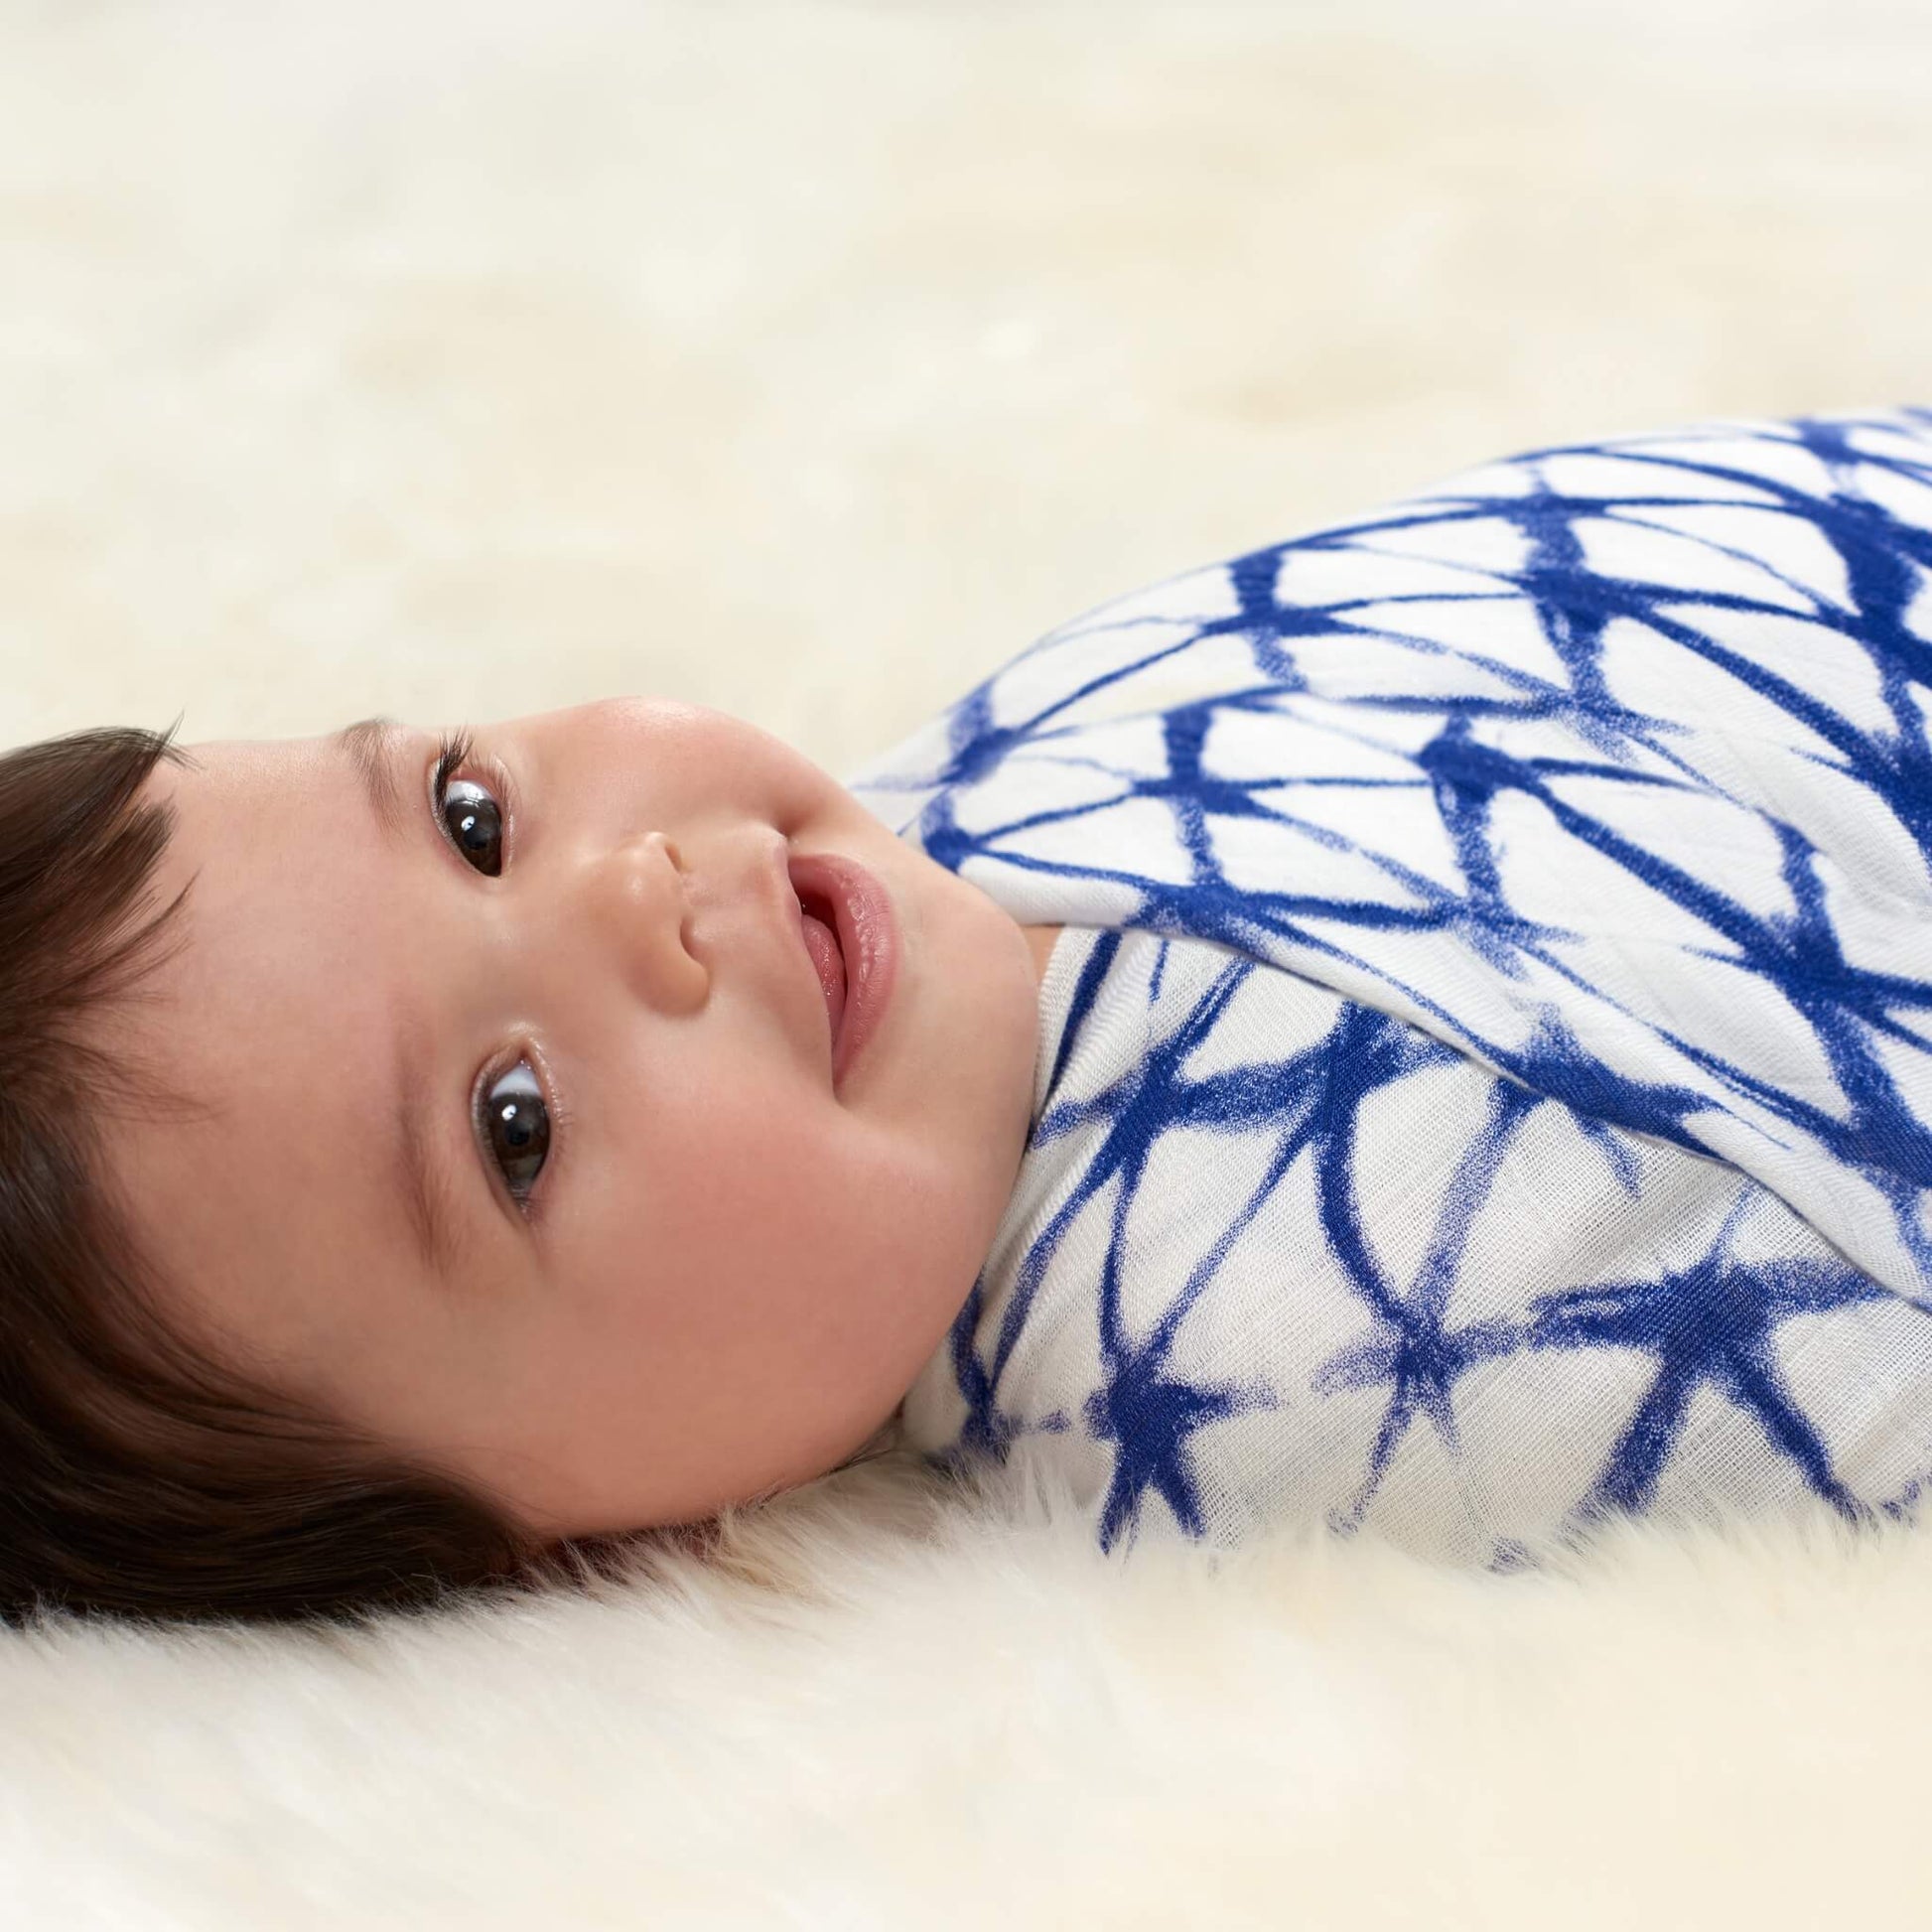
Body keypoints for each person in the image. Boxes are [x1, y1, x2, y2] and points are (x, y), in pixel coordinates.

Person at [3, 405, 1926, 1624]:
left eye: (469, 816)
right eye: (515, 1125)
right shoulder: (1259, 1348)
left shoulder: (970, 785)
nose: (634, 895)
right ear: (569, 1552)